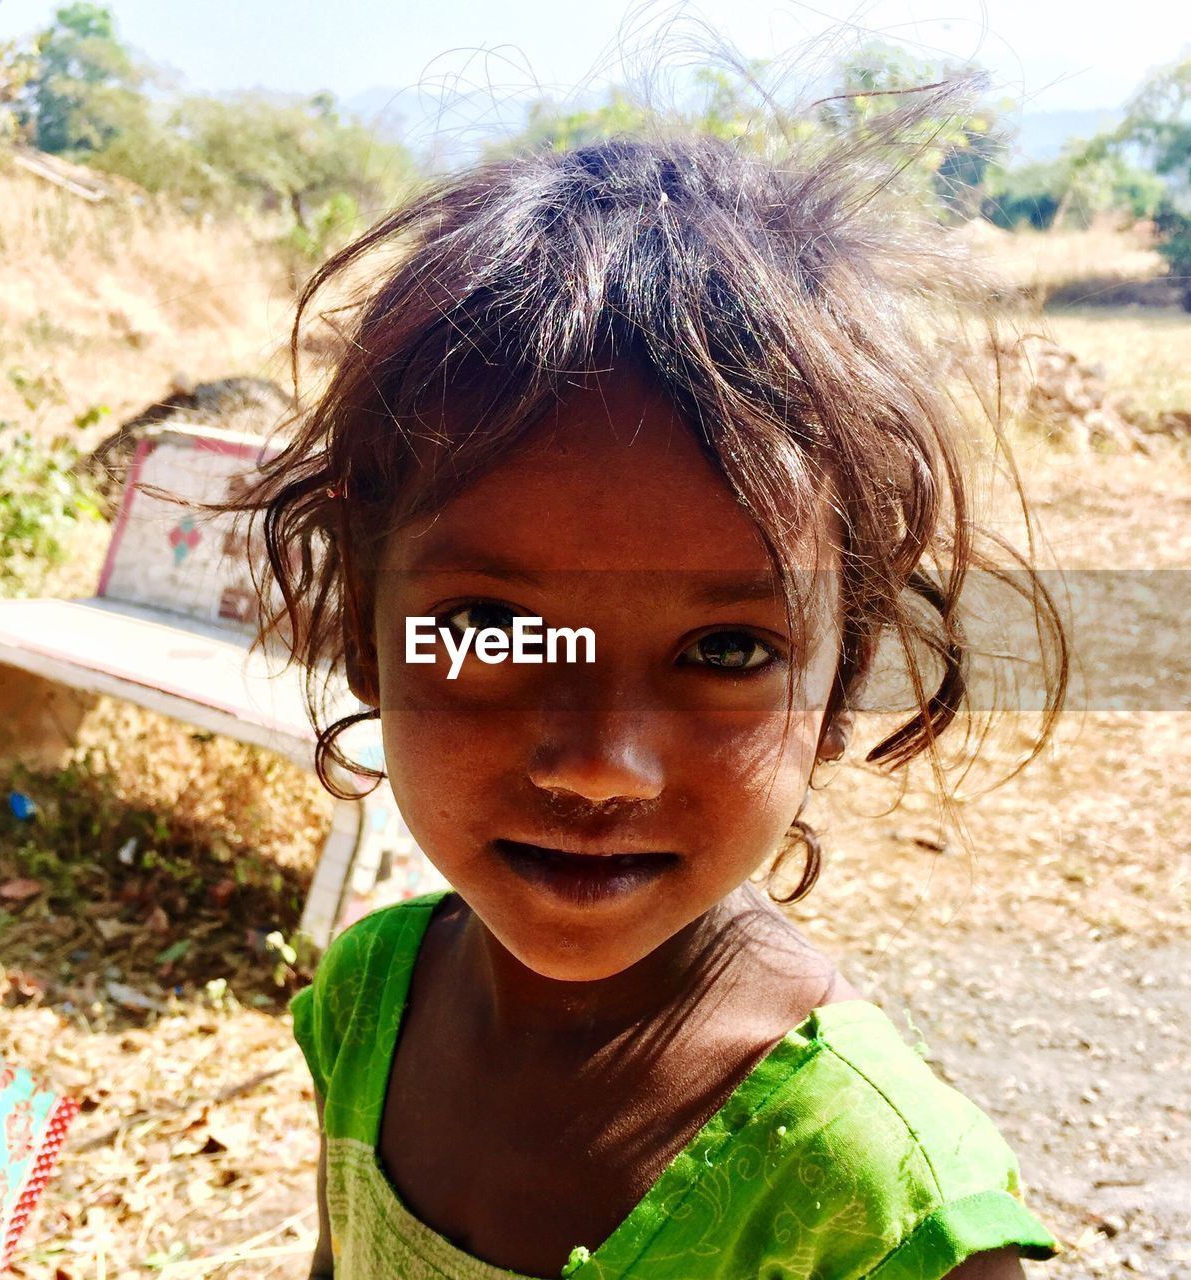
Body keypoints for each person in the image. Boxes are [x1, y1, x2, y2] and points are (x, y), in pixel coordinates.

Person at [247, 92, 1068, 1279]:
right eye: (490, 626)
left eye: (726, 651)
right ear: (365, 637)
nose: (597, 761)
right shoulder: (371, 997)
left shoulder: (871, 1196)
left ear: (838, 690)